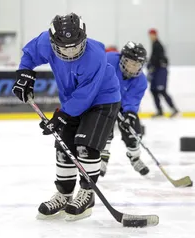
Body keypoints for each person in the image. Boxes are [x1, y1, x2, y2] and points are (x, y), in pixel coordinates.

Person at [12, 13, 121, 221]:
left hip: (102, 100)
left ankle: (87, 194)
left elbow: (87, 94)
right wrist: (24, 74)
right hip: (72, 101)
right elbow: (30, 53)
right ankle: (64, 194)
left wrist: (62, 115)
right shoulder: (46, 41)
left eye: (75, 46)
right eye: (64, 47)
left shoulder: (95, 56)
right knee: (64, 146)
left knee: (84, 146)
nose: (70, 51)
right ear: (53, 42)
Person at [100, 41, 150, 177]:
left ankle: (135, 158)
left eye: (138, 64)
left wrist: (129, 114)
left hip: (123, 105)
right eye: (131, 63)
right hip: (104, 101)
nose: (134, 67)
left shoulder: (141, 81)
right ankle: (102, 158)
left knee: (134, 131)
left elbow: (133, 100)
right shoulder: (108, 59)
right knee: (104, 129)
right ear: (123, 59)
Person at [147, 28, 179, 118]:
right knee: (153, 90)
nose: (151, 37)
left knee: (162, 90)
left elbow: (158, 59)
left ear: (155, 35)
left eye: (152, 35)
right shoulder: (154, 44)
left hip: (160, 71)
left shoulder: (158, 45)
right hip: (155, 71)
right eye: (150, 35)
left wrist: (151, 65)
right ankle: (159, 110)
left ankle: (174, 109)